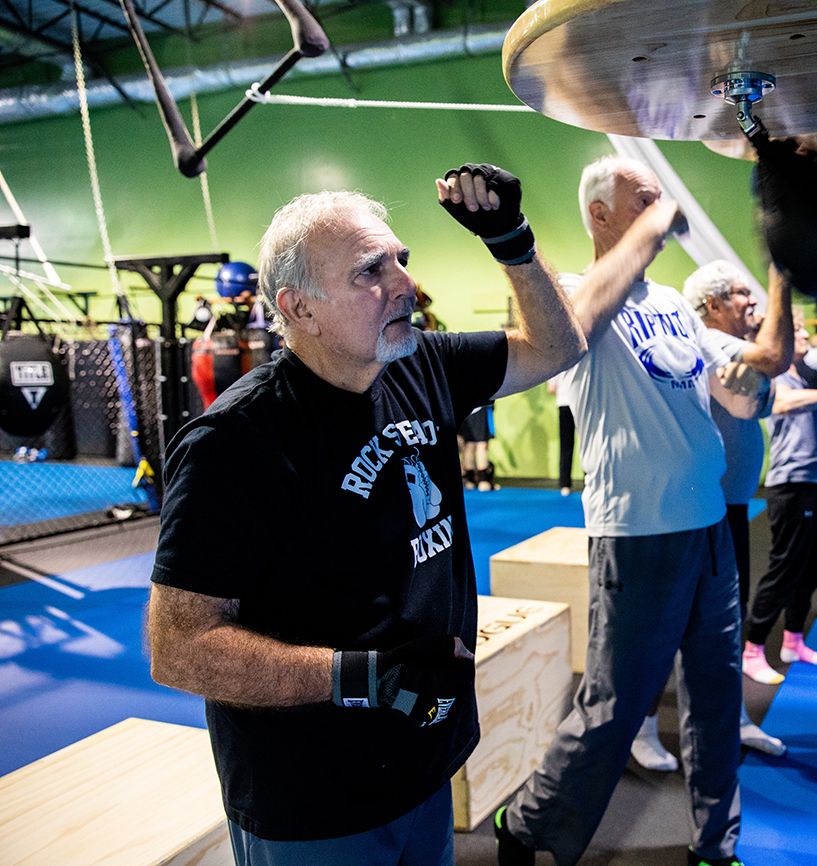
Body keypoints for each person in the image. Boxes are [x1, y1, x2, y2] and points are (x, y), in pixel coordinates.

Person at [146, 164, 585, 865]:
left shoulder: (418, 364)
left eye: (401, 262)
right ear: (300, 309)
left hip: (423, 765)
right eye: (368, 272)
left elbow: (559, 348)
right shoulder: (235, 442)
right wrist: (361, 677)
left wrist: (511, 240)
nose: (405, 285)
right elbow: (179, 647)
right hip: (314, 803)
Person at [494, 155, 768, 866]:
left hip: (708, 529)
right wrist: (653, 230)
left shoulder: (676, 301)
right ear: (600, 215)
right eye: (641, 196)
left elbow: (732, 389)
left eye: (657, 195)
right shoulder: (572, 294)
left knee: (713, 698)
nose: (659, 203)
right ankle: (527, 825)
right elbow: (574, 328)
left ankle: (715, 844)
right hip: (637, 535)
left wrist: (755, 367)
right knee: (613, 710)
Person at [681, 258, 795, 757]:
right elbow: (768, 367)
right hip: (703, 508)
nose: (753, 302)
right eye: (742, 294)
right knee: (680, 624)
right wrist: (783, 276)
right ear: (713, 305)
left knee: (725, 621)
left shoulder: (734, 350)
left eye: (754, 292)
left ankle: (734, 719)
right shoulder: (714, 344)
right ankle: (641, 729)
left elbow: (764, 390)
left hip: (731, 506)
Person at [742, 314, 817, 685]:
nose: (806, 335)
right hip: (792, 485)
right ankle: (753, 649)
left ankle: (793, 642)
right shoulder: (773, 377)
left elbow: (814, 419)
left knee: (813, 568)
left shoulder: (808, 375)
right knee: (785, 569)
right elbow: (788, 404)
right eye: (799, 330)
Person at [546, 374, 575, 495]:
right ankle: (589, 481)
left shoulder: (558, 360)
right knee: (587, 443)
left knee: (566, 445)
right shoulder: (584, 358)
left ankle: (564, 484)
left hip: (564, 404)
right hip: (580, 403)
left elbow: (551, 389)